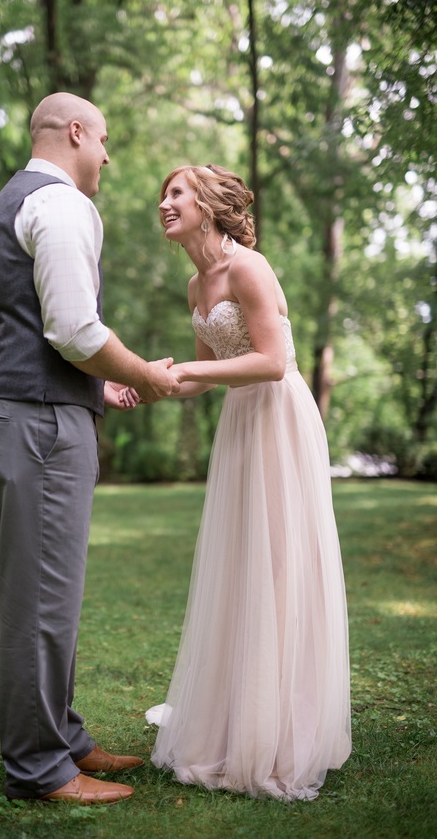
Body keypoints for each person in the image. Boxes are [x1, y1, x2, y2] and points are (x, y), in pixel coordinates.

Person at [0, 92, 179, 805]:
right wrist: (144, 373)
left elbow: (42, 330)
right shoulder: (61, 206)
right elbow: (74, 331)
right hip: (38, 424)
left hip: (24, 411)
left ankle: (64, 735)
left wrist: (96, 389)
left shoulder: (14, 200)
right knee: (42, 603)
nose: (109, 156)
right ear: (76, 132)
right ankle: (39, 767)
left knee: (45, 595)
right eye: (106, 140)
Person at [140, 164, 351, 801]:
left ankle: (282, 729)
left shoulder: (248, 268)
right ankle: (234, 717)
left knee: (280, 561)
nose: (164, 202)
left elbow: (272, 360)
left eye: (176, 193)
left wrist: (186, 372)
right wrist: (157, 382)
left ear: (207, 206)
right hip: (239, 421)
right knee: (240, 562)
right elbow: (211, 371)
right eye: (164, 194)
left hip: (279, 418)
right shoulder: (193, 283)